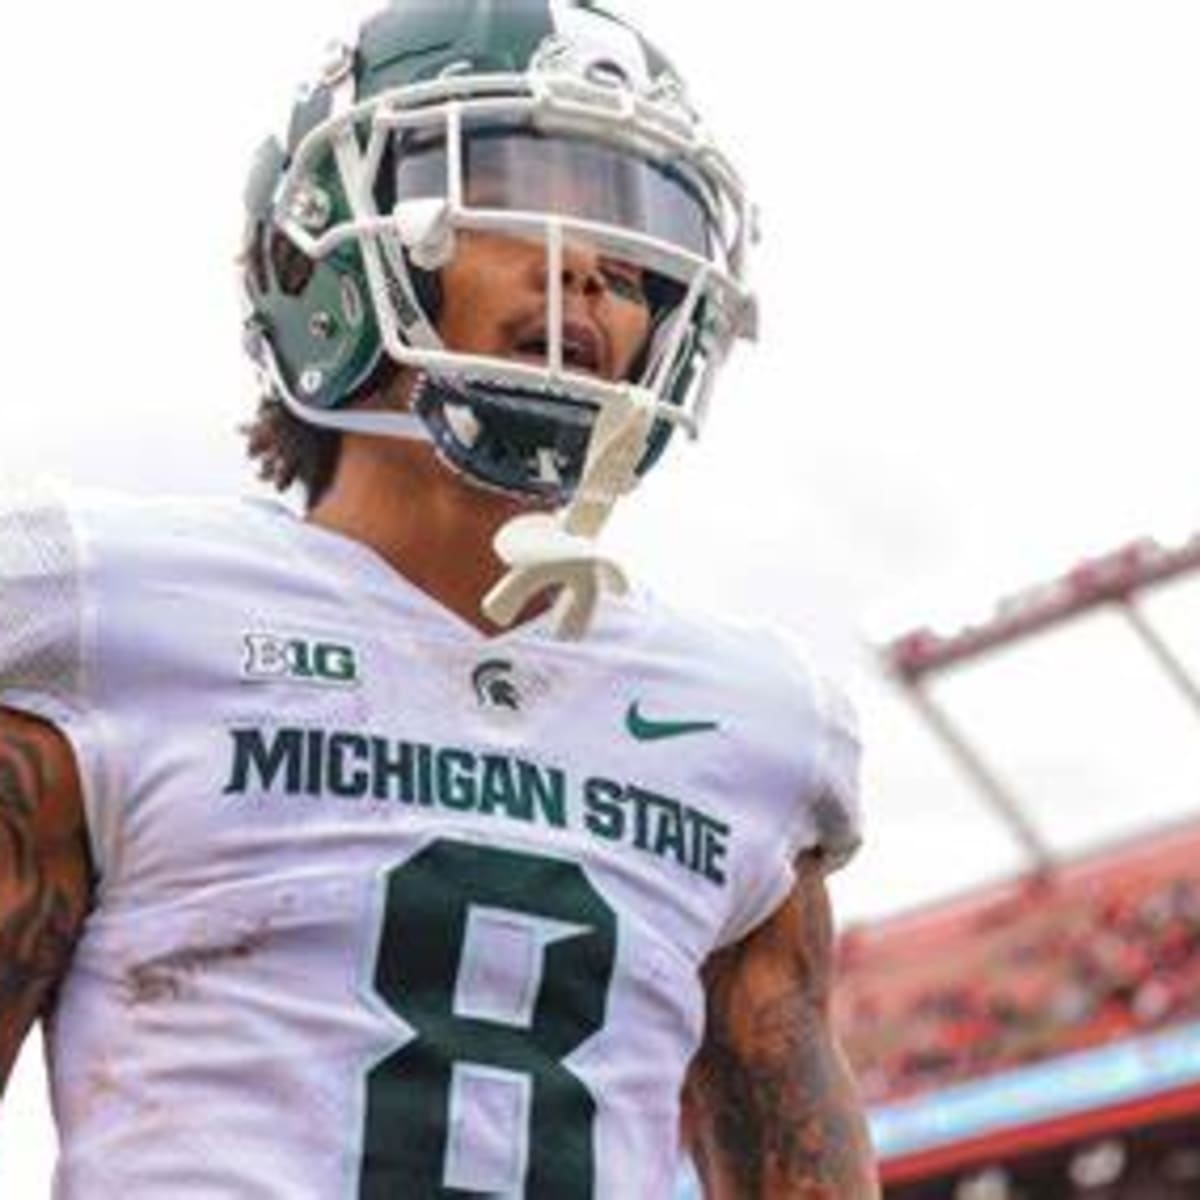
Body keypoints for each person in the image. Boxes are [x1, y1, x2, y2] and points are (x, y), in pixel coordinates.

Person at [0, 1, 878, 1196]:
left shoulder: (756, 727)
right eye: (516, 187)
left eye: (634, 233)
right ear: (326, 257)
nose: (591, 261)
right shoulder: (110, 619)